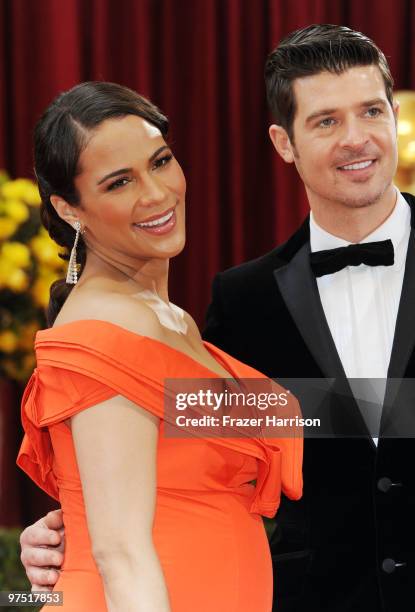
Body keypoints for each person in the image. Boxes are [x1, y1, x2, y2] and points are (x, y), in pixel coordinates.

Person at [19, 22, 410, 611]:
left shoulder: (176, 323)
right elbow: (138, 460)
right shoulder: (242, 299)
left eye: (372, 111)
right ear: (284, 143)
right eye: (326, 121)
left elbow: (321, 415)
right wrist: (77, 521)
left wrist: (86, 512)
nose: (356, 139)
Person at [16, 82, 303, 611]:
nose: (156, 193)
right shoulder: (100, 331)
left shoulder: (173, 321)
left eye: (161, 161)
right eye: (119, 182)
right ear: (69, 208)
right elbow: (120, 553)